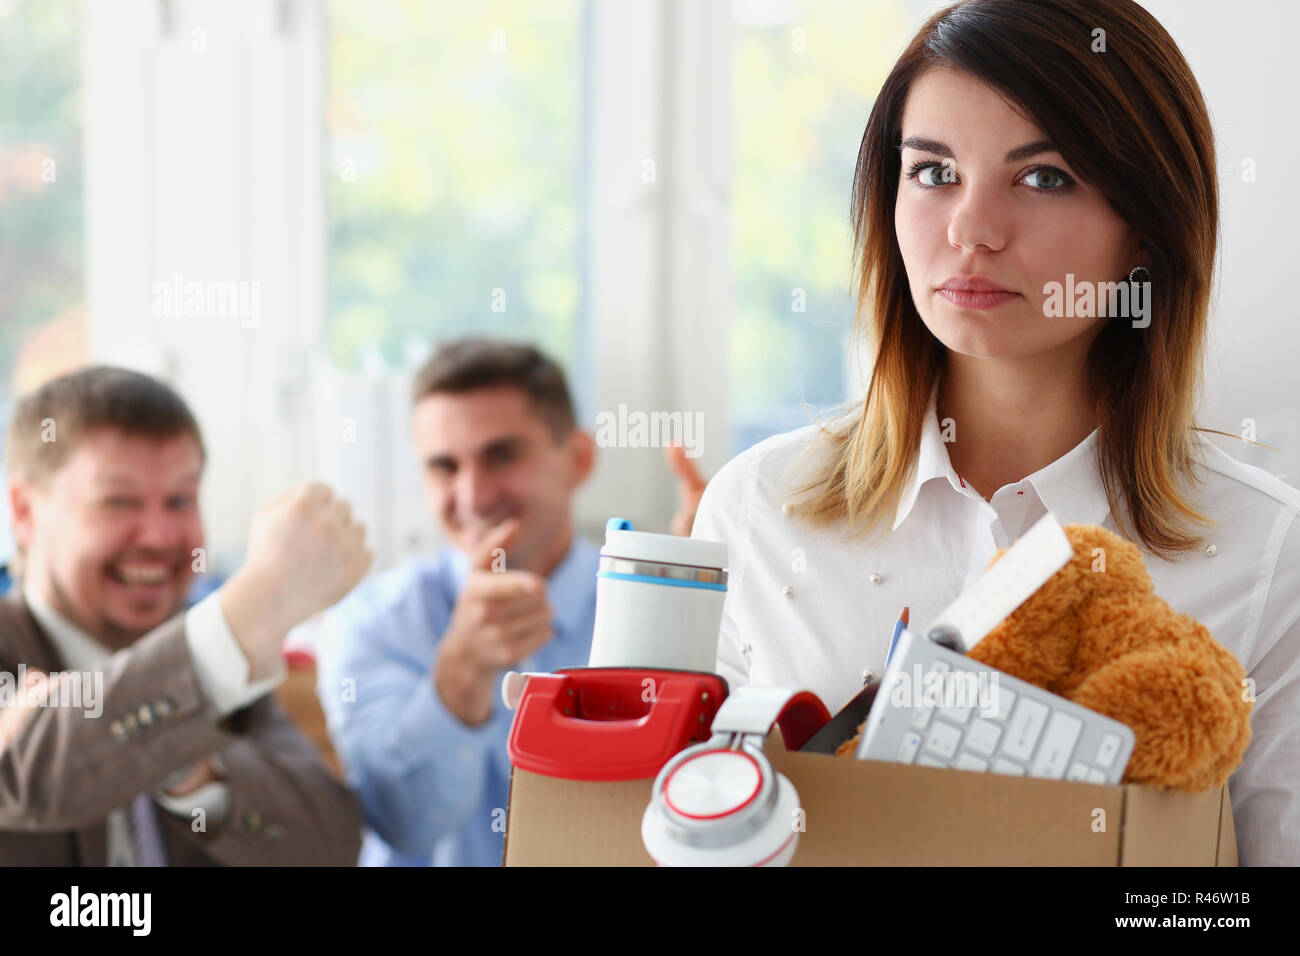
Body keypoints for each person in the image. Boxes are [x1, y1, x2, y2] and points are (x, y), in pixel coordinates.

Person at [691, 0, 1300, 866]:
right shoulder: (755, 510)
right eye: (933, 171)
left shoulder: (1270, 551)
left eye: (1043, 176)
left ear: (1146, 233)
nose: (970, 230)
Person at [316, 338, 706, 866]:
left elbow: (699, 806)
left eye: (501, 455)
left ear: (578, 460)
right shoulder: (370, 624)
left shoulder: (653, 601)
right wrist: (460, 675)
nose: (473, 497)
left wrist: (700, 623)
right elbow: (405, 825)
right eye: (444, 466)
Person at [0, 366, 369, 865]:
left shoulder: (218, 662)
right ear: (24, 512)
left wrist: (187, 764)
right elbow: (25, 773)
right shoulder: (223, 650)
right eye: (119, 501)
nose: (159, 536)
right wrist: (248, 612)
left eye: (179, 500)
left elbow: (331, 844)